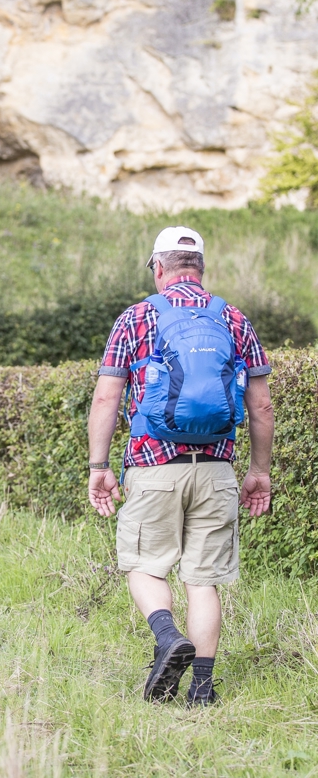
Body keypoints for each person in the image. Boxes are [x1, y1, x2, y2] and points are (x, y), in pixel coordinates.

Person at [87, 227, 274, 706]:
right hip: (216, 468)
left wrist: (99, 466)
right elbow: (261, 407)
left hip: (153, 465)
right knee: (202, 579)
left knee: (144, 566)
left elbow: (109, 394)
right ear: (202, 270)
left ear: (158, 268)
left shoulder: (138, 317)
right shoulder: (234, 319)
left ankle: (167, 636)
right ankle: (203, 690)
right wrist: (259, 471)